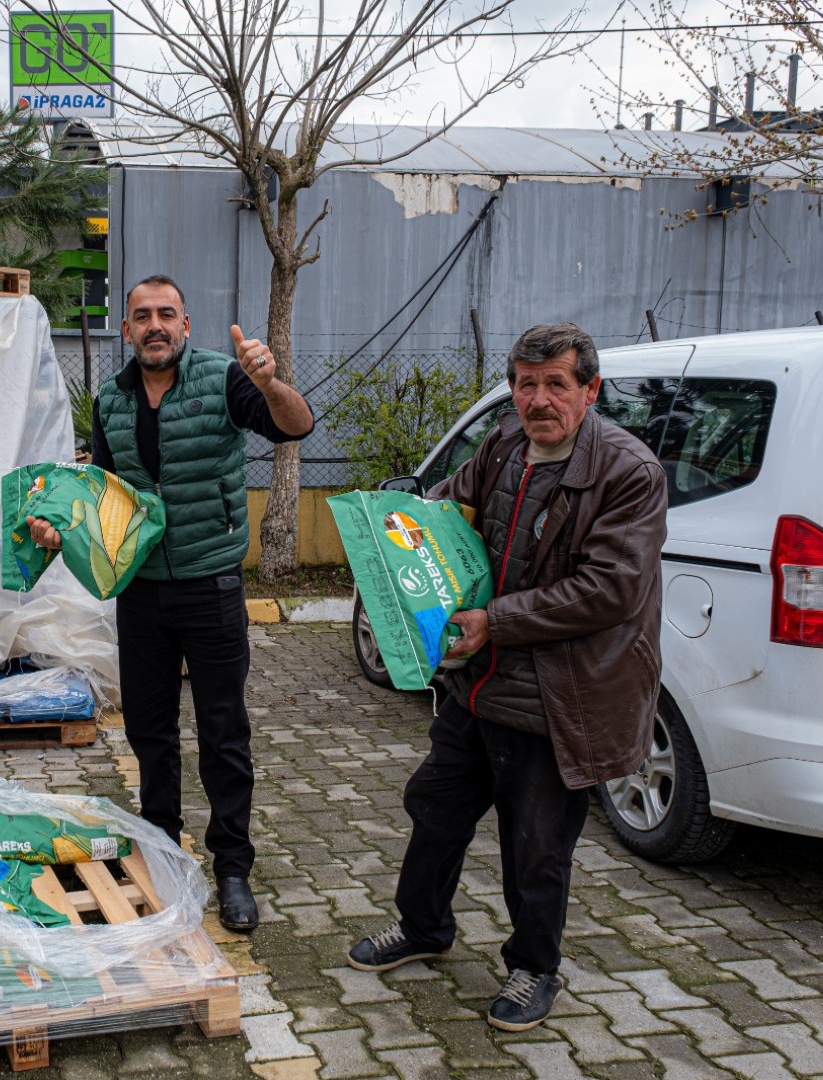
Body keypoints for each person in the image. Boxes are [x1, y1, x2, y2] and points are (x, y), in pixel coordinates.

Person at [346, 323, 667, 1031]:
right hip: (478, 686)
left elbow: (608, 589)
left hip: (558, 699)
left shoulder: (627, 472)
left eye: (555, 383)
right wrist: (402, 537)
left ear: (589, 390)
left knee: (537, 847)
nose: (538, 399)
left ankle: (532, 968)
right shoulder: (501, 446)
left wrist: (497, 618)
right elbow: (447, 512)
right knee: (434, 812)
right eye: (525, 383)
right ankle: (423, 927)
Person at [28, 275, 313, 931]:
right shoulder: (111, 396)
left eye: (165, 314)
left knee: (222, 734)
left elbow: (294, 427)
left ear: (186, 324)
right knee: (149, 733)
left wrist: (268, 381)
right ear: (125, 330)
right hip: (139, 591)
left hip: (210, 586)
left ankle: (232, 868)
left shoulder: (223, 380)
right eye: (140, 316)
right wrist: (54, 529)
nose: (153, 325)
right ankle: (158, 849)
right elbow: (102, 492)